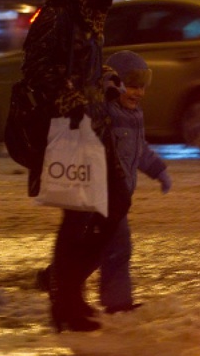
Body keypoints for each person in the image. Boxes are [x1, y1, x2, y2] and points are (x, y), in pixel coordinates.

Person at [20, 0, 130, 332]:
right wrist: (73, 101)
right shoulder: (58, 15)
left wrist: (106, 82)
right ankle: (64, 298)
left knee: (112, 205)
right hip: (67, 132)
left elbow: (82, 69)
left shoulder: (88, 19)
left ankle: (65, 288)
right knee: (80, 214)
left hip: (95, 127)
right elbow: (38, 69)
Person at [36, 51, 172, 315]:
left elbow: (140, 150)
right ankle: (115, 303)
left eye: (143, 87)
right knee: (117, 247)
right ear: (115, 83)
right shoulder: (104, 113)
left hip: (117, 199)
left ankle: (56, 279)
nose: (139, 93)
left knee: (99, 249)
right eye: (132, 86)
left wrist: (159, 171)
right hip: (98, 195)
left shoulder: (135, 116)